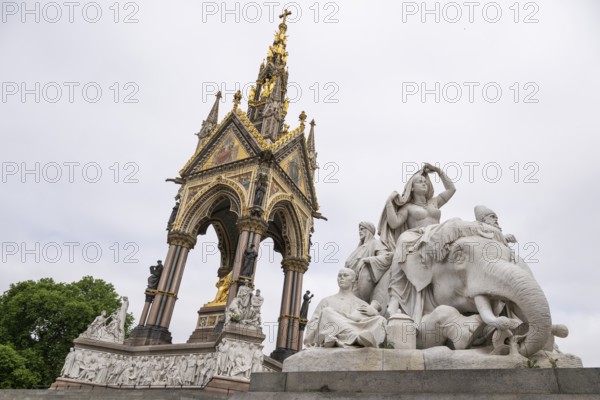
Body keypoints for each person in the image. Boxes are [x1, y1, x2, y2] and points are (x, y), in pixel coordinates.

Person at [378, 163, 456, 323]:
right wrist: (388, 203)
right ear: (411, 188)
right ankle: (395, 296)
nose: (424, 183)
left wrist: (438, 171)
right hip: (415, 235)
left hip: (436, 234)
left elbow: (451, 189)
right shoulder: (407, 207)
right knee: (402, 245)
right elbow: (394, 224)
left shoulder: (434, 202)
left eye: (425, 181)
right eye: (419, 181)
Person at [303, 268, 387, 348]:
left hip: (357, 328)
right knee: (326, 312)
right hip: (332, 331)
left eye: (345, 275)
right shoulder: (326, 301)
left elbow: (365, 322)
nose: (341, 278)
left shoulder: (362, 304)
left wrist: (374, 312)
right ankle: (355, 337)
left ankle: (354, 337)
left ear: (353, 279)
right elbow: (312, 324)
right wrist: (337, 318)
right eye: (339, 276)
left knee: (381, 320)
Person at [344, 221, 391, 303]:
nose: (359, 231)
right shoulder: (358, 249)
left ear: (369, 230)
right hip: (348, 284)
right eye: (359, 229)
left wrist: (367, 260)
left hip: (359, 285)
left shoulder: (375, 243)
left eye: (362, 229)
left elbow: (386, 257)